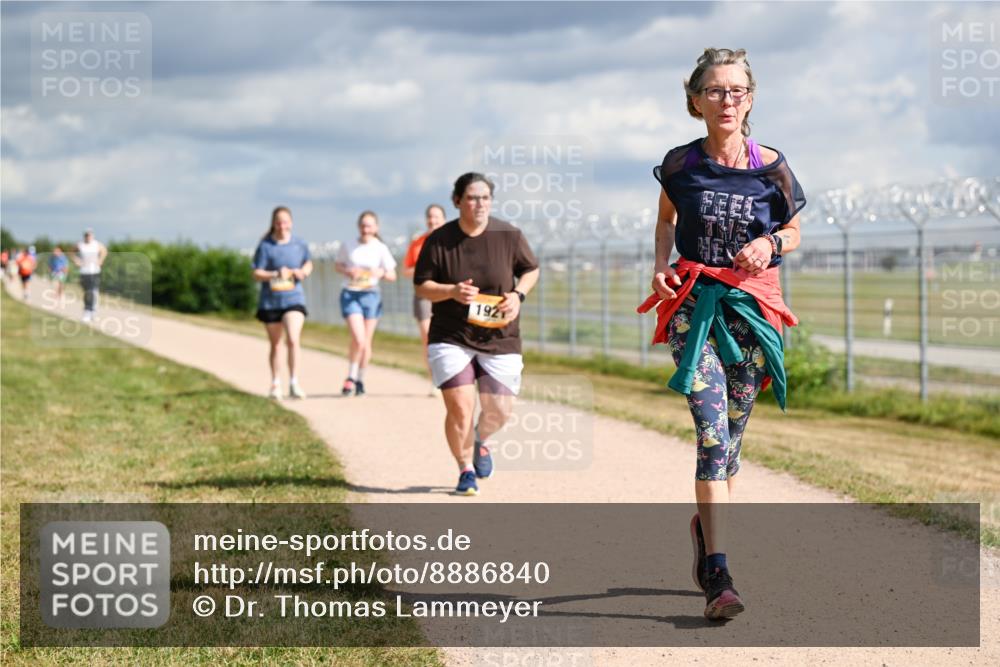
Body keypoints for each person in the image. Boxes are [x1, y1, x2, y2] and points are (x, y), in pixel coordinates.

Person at [637, 48, 805, 620]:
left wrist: (771, 243)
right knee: (711, 437)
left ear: (750, 99)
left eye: (737, 91)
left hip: (751, 312)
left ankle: (705, 534)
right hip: (695, 308)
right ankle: (719, 576)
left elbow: (794, 227)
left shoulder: (771, 164)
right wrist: (661, 264)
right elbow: (665, 219)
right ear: (695, 100)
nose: (726, 100)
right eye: (715, 91)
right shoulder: (681, 164)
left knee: (730, 446)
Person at [414, 173, 540, 496]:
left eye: (485, 197)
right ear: (457, 201)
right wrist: (451, 291)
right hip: (450, 334)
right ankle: (465, 468)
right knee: (460, 407)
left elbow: (531, 269)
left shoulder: (508, 235)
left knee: (499, 409)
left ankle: (481, 440)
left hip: (500, 336)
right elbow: (422, 286)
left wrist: (518, 295)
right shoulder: (439, 240)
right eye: (472, 198)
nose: (479, 204)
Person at [251, 206, 313, 399]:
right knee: (276, 344)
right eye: (278, 222)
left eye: (285, 221)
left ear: (291, 223)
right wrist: (275, 274)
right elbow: (256, 273)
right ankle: (275, 382)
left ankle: (294, 382)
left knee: (293, 338)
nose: (282, 225)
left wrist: (302, 272)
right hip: (271, 301)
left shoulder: (299, 244)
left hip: (294, 298)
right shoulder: (265, 246)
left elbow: (308, 263)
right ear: (273, 224)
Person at [335, 210, 397, 396]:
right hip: (351, 293)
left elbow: (392, 274)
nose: (365, 229)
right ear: (358, 226)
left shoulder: (380, 248)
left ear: (375, 228)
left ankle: (360, 379)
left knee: (366, 342)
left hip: (371, 295)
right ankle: (351, 377)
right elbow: (338, 265)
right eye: (363, 225)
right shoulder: (348, 245)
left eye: (369, 225)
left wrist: (380, 273)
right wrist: (348, 271)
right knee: (358, 338)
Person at [403, 203, 447, 396]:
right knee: (429, 338)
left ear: (443, 219)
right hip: (423, 295)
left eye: (436, 216)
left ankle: (450, 377)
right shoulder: (418, 243)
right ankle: (435, 380)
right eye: (430, 216)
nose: (433, 220)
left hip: (446, 295)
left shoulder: (451, 242)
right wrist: (424, 273)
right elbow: (406, 270)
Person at [72, 229, 107, 322]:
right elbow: (71, 252)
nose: (88, 237)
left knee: (93, 291)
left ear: (92, 235)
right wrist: (76, 261)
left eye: (89, 235)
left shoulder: (96, 244)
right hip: (84, 271)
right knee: (87, 292)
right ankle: (89, 311)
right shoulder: (81, 245)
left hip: (94, 271)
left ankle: (90, 311)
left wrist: (100, 261)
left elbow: (104, 251)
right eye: (86, 235)